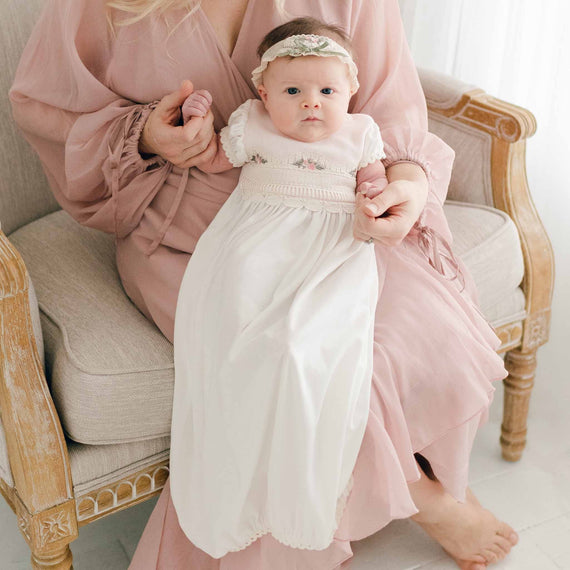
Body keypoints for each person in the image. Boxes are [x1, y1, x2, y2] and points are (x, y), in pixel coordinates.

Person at [8, 0, 519, 568]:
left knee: (414, 332)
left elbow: (387, 106)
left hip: (340, 215)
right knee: (289, 360)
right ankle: (428, 499)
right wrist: (148, 135)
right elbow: (48, 108)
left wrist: (406, 187)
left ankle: (405, 482)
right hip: (188, 232)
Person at [172, 21, 392, 558]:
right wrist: (196, 122)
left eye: (326, 92)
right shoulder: (252, 125)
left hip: (330, 250)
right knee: (236, 305)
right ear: (265, 94)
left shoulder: (360, 134)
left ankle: (298, 488)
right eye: (293, 91)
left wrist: (376, 196)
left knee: (302, 342)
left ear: (350, 93)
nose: (311, 104)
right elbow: (214, 158)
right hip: (256, 237)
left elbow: (375, 179)